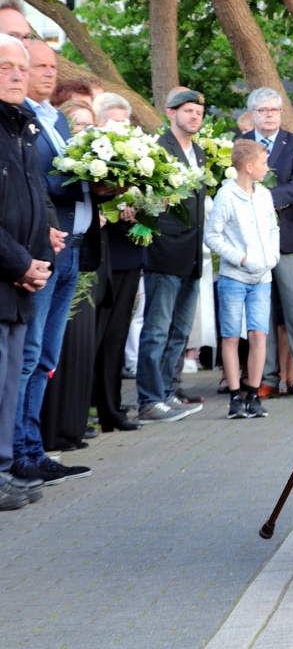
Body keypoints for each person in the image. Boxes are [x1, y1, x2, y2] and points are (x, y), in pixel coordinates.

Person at [11, 39, 93, 485]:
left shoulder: (57, 118)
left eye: (49, 66)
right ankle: (18, 454)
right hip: (44, 250)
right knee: (28, 356)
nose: (45, 73)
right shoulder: (21, 121)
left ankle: (34, 448)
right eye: (36, 66)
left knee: (45, 357)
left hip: (74, 249)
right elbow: (36, 182)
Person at [240, 87, 293, 400]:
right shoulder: (237, 145)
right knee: (260, 311)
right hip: (251, 242)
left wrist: (262, 199)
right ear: (252, 113)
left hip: (290, 238)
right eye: (263, 110)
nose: (269, 116)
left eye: (274, 110)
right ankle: (265, 378)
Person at [0, 32, 52, 510]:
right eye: (4, 67)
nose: (17, 74)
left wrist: (40, 257)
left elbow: (36, 199)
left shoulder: (25, 126)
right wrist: (19, 263)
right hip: (4, 277)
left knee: (12, 377)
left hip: (22, 281)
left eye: (22, 66)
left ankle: (3, 468)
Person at [135, 89, 207, 424]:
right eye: (188, 111)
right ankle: (149, 399)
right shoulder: (158, 150)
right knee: (157, 330)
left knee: (180, 331)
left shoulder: (202, 153)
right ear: (170, 113)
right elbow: (148, 202)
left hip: (192, 252)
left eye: (198, 111)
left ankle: (166, 392)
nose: (195, 116)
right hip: (165, 251)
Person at [205, 139, 280, 419]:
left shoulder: (264, 195)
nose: (267, 167)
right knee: (231, 336)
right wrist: (242, 258)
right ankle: (235, 396)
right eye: (263, 163)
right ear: (248, 167)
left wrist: (271, 257)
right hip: (234, 277)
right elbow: (212, 236)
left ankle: (253, 393)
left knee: (259, 333)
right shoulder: (226, 196)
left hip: (262, 277)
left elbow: (273, 228)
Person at [89, 94, 143, 434]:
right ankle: (90, 406)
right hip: (98, 253)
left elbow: (151, 213)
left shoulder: (138, 156)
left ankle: (111, 406)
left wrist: (142, 207)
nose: (120, 130)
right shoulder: (93, 155)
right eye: (113, 123)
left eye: (125, 123)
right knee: (94, 336)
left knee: (117, 336)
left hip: (129, 251)